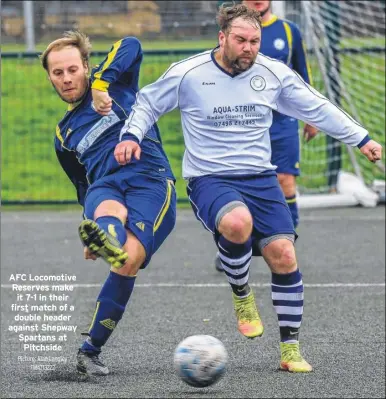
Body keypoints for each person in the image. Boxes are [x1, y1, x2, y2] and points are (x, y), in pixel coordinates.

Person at [115, 4, 382, 372]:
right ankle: (242, 293)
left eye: (255, 41)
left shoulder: (273, 72)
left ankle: (290, 350)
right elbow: (147, 102)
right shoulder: (188, 73)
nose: (249, 48)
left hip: (261, 177)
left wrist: (361, 138)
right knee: (238, 223)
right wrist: (131, 135)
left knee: (285, 255)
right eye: (241, 40)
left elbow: (316, 107)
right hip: (210, 178)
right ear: (222, 37)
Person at [40, 31, 177, 380]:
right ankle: (104, 237)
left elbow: (132, 42)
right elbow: (83, 187)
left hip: (149, 180)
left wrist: (101, 84)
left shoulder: (117, 84)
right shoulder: (63, 135)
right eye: (58, 73)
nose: (67, 78)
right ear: (50, 78)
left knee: (129, 261)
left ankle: (92, 347)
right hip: (104, 188)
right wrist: (91, 228)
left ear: (86, 66)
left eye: (73, 69)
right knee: (104, 207)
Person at [214, 0, 317, 272]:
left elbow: (301, 75)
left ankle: (286, 241)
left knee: (285, 180)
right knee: (240, 183)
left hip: (281, 122)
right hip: (244, 120)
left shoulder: (288, 30)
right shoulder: (232, 32)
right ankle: (235, 245)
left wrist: (311, 115)